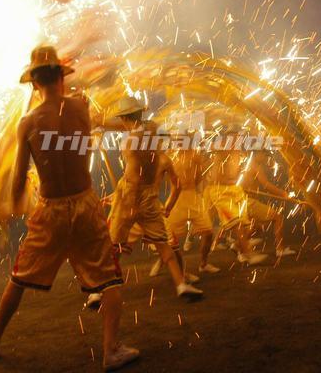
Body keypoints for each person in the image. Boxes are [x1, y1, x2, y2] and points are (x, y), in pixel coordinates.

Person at [0, 46, 138, 371]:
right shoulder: (81, 108)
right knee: (108, 279)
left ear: (34, 84)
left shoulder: (28, 122)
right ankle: (111, 350)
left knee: (19, 278)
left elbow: (20, 178)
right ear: (62, 79)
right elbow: (89, 128)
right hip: (84, 205)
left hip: (50, 211)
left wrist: (10, 208)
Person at [88, 97, 203, 308]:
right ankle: (180, 285)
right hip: (149, 198)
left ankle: (97, 292)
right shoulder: (151, 129)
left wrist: (97, 123)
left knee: (113, 247)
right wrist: (100, 124)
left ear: (123, 118)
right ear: (140, 114)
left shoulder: (130, 141)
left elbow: (132, 177)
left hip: (130, 197)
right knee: (162, 244)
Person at [203, 126, 268, 266]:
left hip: (235, 191)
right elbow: (215, 177)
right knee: (237, 224)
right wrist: (232, 181)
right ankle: (249, 255)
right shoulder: (221, 152)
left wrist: (238, 183)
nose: (238, 140)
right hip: (220, 193)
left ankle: (240, 250)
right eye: (234, 138)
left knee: (244, 225)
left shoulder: (238, 152)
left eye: (239, 138)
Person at [150, 147, 219, 277]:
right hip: (177, 199)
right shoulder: (168, 155)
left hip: (193, 197)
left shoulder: (194, 154)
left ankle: (203, 264)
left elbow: (199, 176)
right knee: (169, 237)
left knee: (208, 232)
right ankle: (162, 260)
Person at [242, 149, 301, 257]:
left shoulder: (246, 164)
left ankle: (238, 245)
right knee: (277, 217)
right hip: (248, 201)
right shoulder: (255, 166)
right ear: (257, 153)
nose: (266, 158)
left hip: (243, 201)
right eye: (264, 154)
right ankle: (280, 249)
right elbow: (266, 185)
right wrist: (284, 194)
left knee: (257, 227)